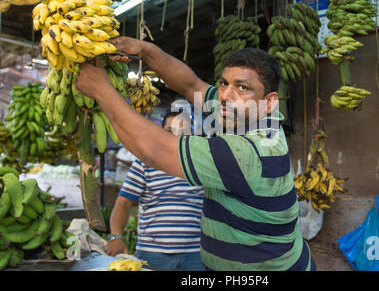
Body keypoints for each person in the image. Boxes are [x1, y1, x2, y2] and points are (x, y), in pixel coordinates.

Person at [77, 37, 316, 271]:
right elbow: (191, 85)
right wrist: (144, 50)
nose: (225, 96)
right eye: (224, 83)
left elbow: (153, 149)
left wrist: (101, 90)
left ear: (270, 101)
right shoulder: (250, 115)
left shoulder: (250, 152)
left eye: (242, 87)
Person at [104, 110, 205, 271]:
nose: (176, 137)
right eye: (169, 131)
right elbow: (123, 203)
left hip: (196, 255)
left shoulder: (201, 165)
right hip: (153, 254)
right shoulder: (145, 163)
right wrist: (116, 236)